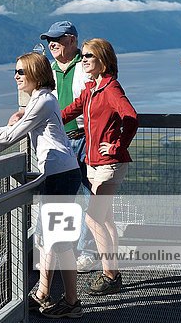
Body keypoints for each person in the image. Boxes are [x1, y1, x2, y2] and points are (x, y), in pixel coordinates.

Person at [0, 52, 83, 319]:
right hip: (60, 174)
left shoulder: (43, 101)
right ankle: (45, 294)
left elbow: (11, 136)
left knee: (60, 242)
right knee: (51, 240)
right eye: (16, 71)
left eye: (21, 71)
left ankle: (72, 302)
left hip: (60, 176)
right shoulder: (41, 99)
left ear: (34, 73)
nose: (16, 76)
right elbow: (19, 126)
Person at [60, 38, 139, 295]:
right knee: (105, 218)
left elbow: (131, 117)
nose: (83, 60)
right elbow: (69, 112)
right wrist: (34, 116)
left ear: (102, 60)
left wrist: (116, 146)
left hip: (109, 164)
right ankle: (112, 271)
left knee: (93, 217)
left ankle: (110, 275)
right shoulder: (92, 89)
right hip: (94, 163)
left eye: (88, 56)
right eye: (82, 55)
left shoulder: (111, 88)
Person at [40, 21, 99, 273]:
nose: (51, 44)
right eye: (49, 40)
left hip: (84, 138)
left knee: (87, 196)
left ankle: (87, 251)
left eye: (57, 39)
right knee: (64, 198)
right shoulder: (49, 70)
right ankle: (62, 250)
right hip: (61, 141)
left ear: (72, 40)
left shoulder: (86, 65)